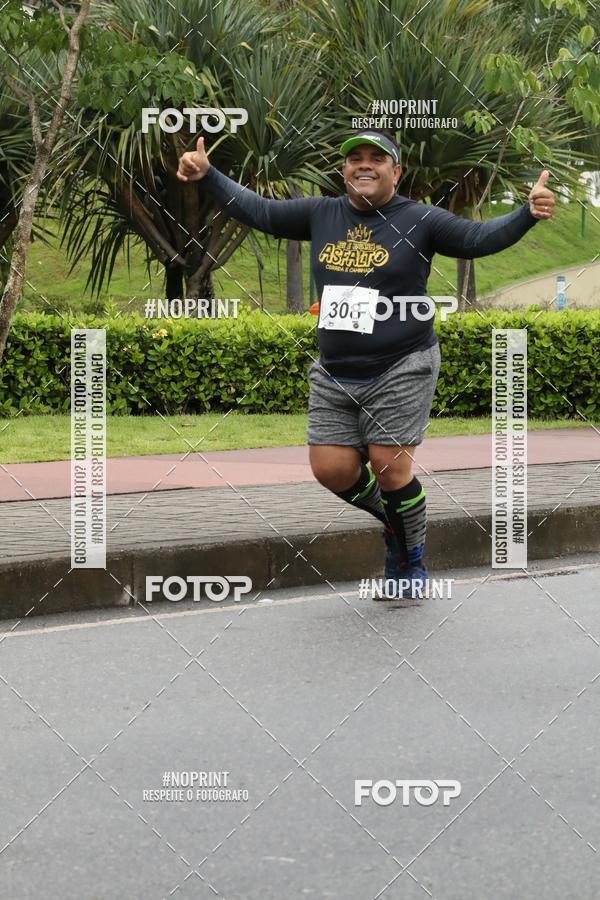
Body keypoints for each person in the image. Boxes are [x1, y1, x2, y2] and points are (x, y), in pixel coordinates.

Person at [177, 130, 555, 599]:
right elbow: (260, 210)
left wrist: (527, 214)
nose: (364, 165)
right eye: (355, 157)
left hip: (403, 362)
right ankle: (397, 520)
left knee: (388, 465)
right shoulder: (321, 213)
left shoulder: (418, 219)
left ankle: (408, 564)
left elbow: (478, 237)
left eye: (377, 158)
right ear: (343, 171)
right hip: (337, 369)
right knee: (331, 469)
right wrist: (208, 175)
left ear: (396, 172)